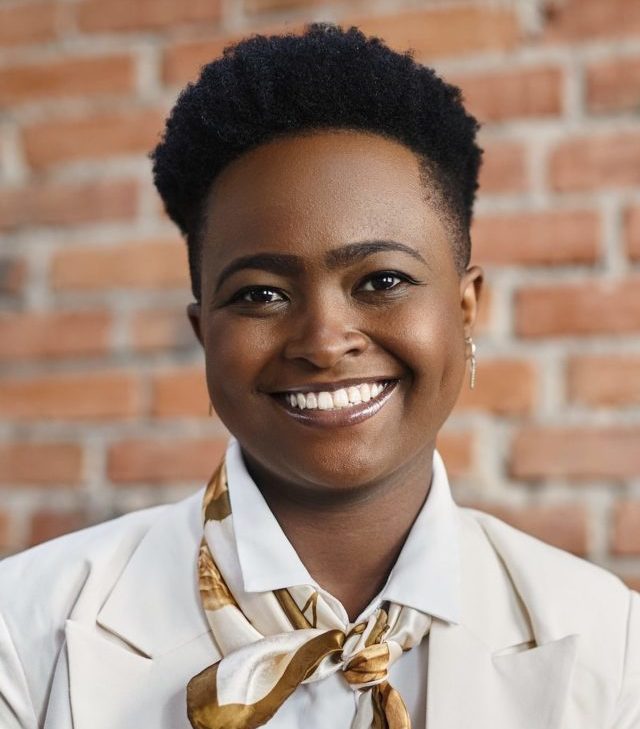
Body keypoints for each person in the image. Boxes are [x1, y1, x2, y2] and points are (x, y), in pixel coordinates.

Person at [0, 23, 638, 729]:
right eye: (260, 293)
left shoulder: (611, 645)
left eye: (383, 279)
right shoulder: (27, 632)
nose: (324, 341)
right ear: (204, 333)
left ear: (464, 310)